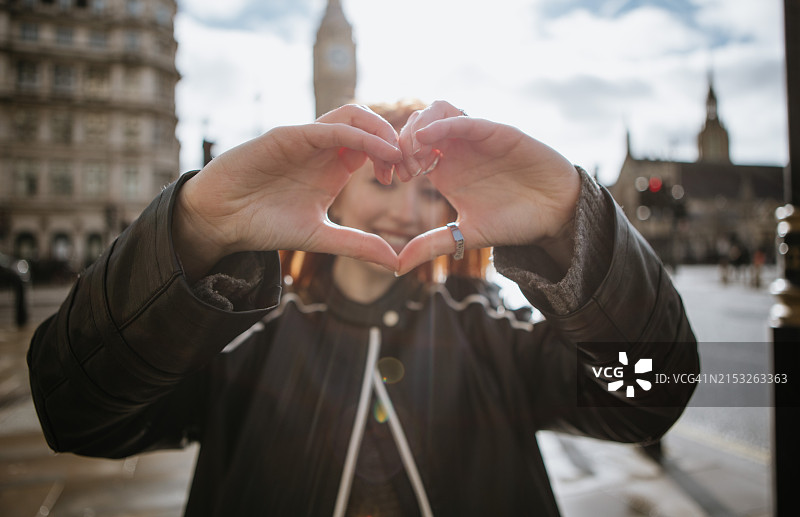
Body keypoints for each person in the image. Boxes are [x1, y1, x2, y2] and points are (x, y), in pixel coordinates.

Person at [27, 100, 699, 516]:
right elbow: (76, 409)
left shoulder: (494, 332)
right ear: (335, 190)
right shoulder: (246, 338)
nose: (407, 209)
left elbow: (650, 390)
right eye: (382, 179)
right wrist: (194, 230)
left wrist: (570, 222)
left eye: (432, 190)